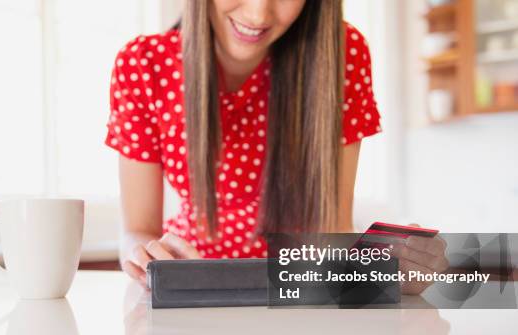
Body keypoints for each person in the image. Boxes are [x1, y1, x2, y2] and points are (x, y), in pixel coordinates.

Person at [105, 0, 447, 293]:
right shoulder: (143, 63)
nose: (258, 14)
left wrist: (390, 268)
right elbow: (138, 231)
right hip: (192, 296)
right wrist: (146, 259)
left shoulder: (341, 53)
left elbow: (332, 228)